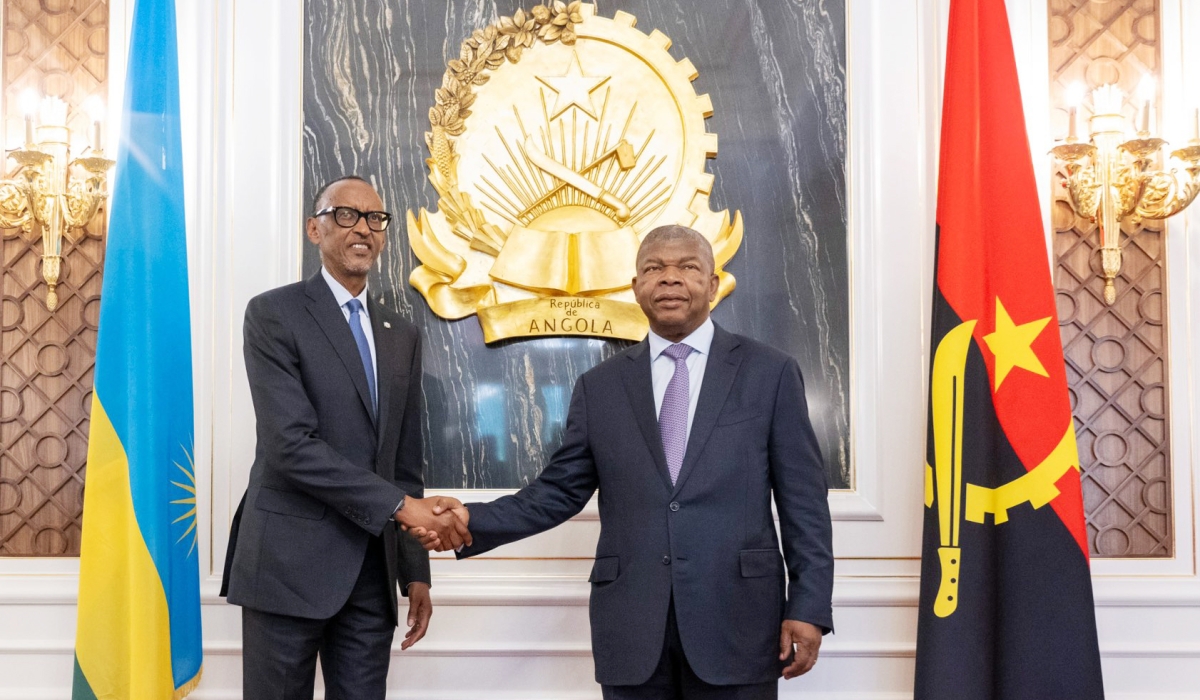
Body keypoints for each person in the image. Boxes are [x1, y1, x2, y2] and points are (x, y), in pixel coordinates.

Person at [420, 224, 834, 699]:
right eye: (654, 268)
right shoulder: (601, 387)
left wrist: (808, 605)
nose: (670, 279)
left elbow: (804, 503)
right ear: (635, 287)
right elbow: (557, 492)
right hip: (633, 627)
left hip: (738, 620)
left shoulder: (770, 372)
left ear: (714, 285)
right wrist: (470, 519)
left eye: (688, 267)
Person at [220, 175, 470, 700]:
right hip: (286, 567)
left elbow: (405, 459)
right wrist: (404, 507)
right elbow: (291, 446)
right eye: (345, 215)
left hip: (371, 576)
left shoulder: (400, 332)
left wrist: (414, 573)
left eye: (375, 219)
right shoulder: (273, 314)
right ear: (315, 228)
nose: (363, 228)